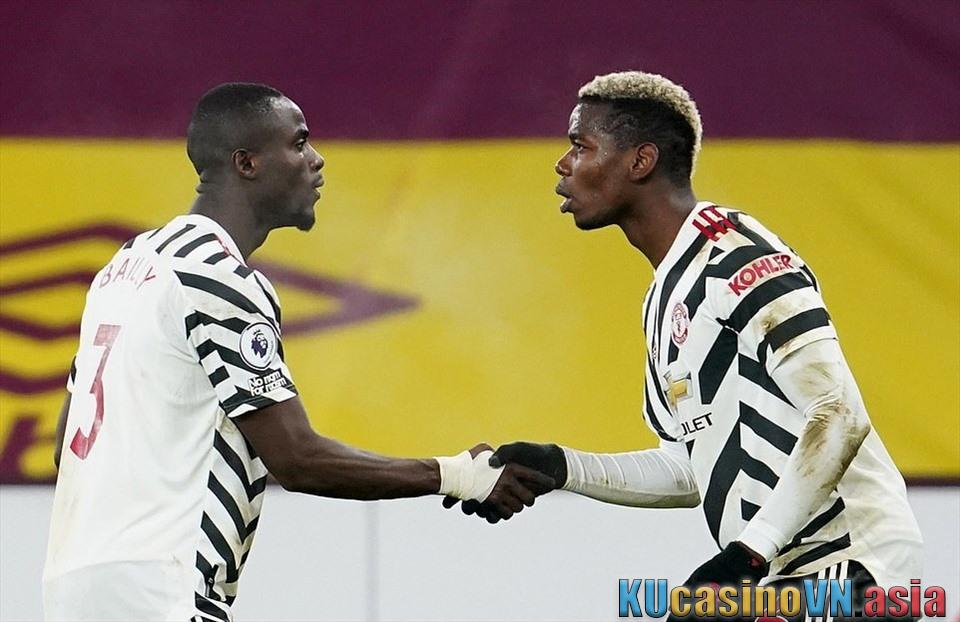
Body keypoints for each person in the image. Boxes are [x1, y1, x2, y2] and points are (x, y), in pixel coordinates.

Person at [43, 83, 554, 622]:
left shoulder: (123, 268)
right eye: (299, 142)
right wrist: (459, 476)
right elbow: (298, 459)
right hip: (163, 593)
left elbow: (65, 448)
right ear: (246, 163)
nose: (316, 159)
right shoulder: (217, 277)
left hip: (69, 591)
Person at [459, 71, 923, 621]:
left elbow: (839, 411)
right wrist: (560, 467)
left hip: (855, 570)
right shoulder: (664, 295)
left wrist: (748, 553)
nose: (563, 164)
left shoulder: (741, 258)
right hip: (783, 575)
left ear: (640, 161)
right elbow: (688, 466)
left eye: (580, 146)